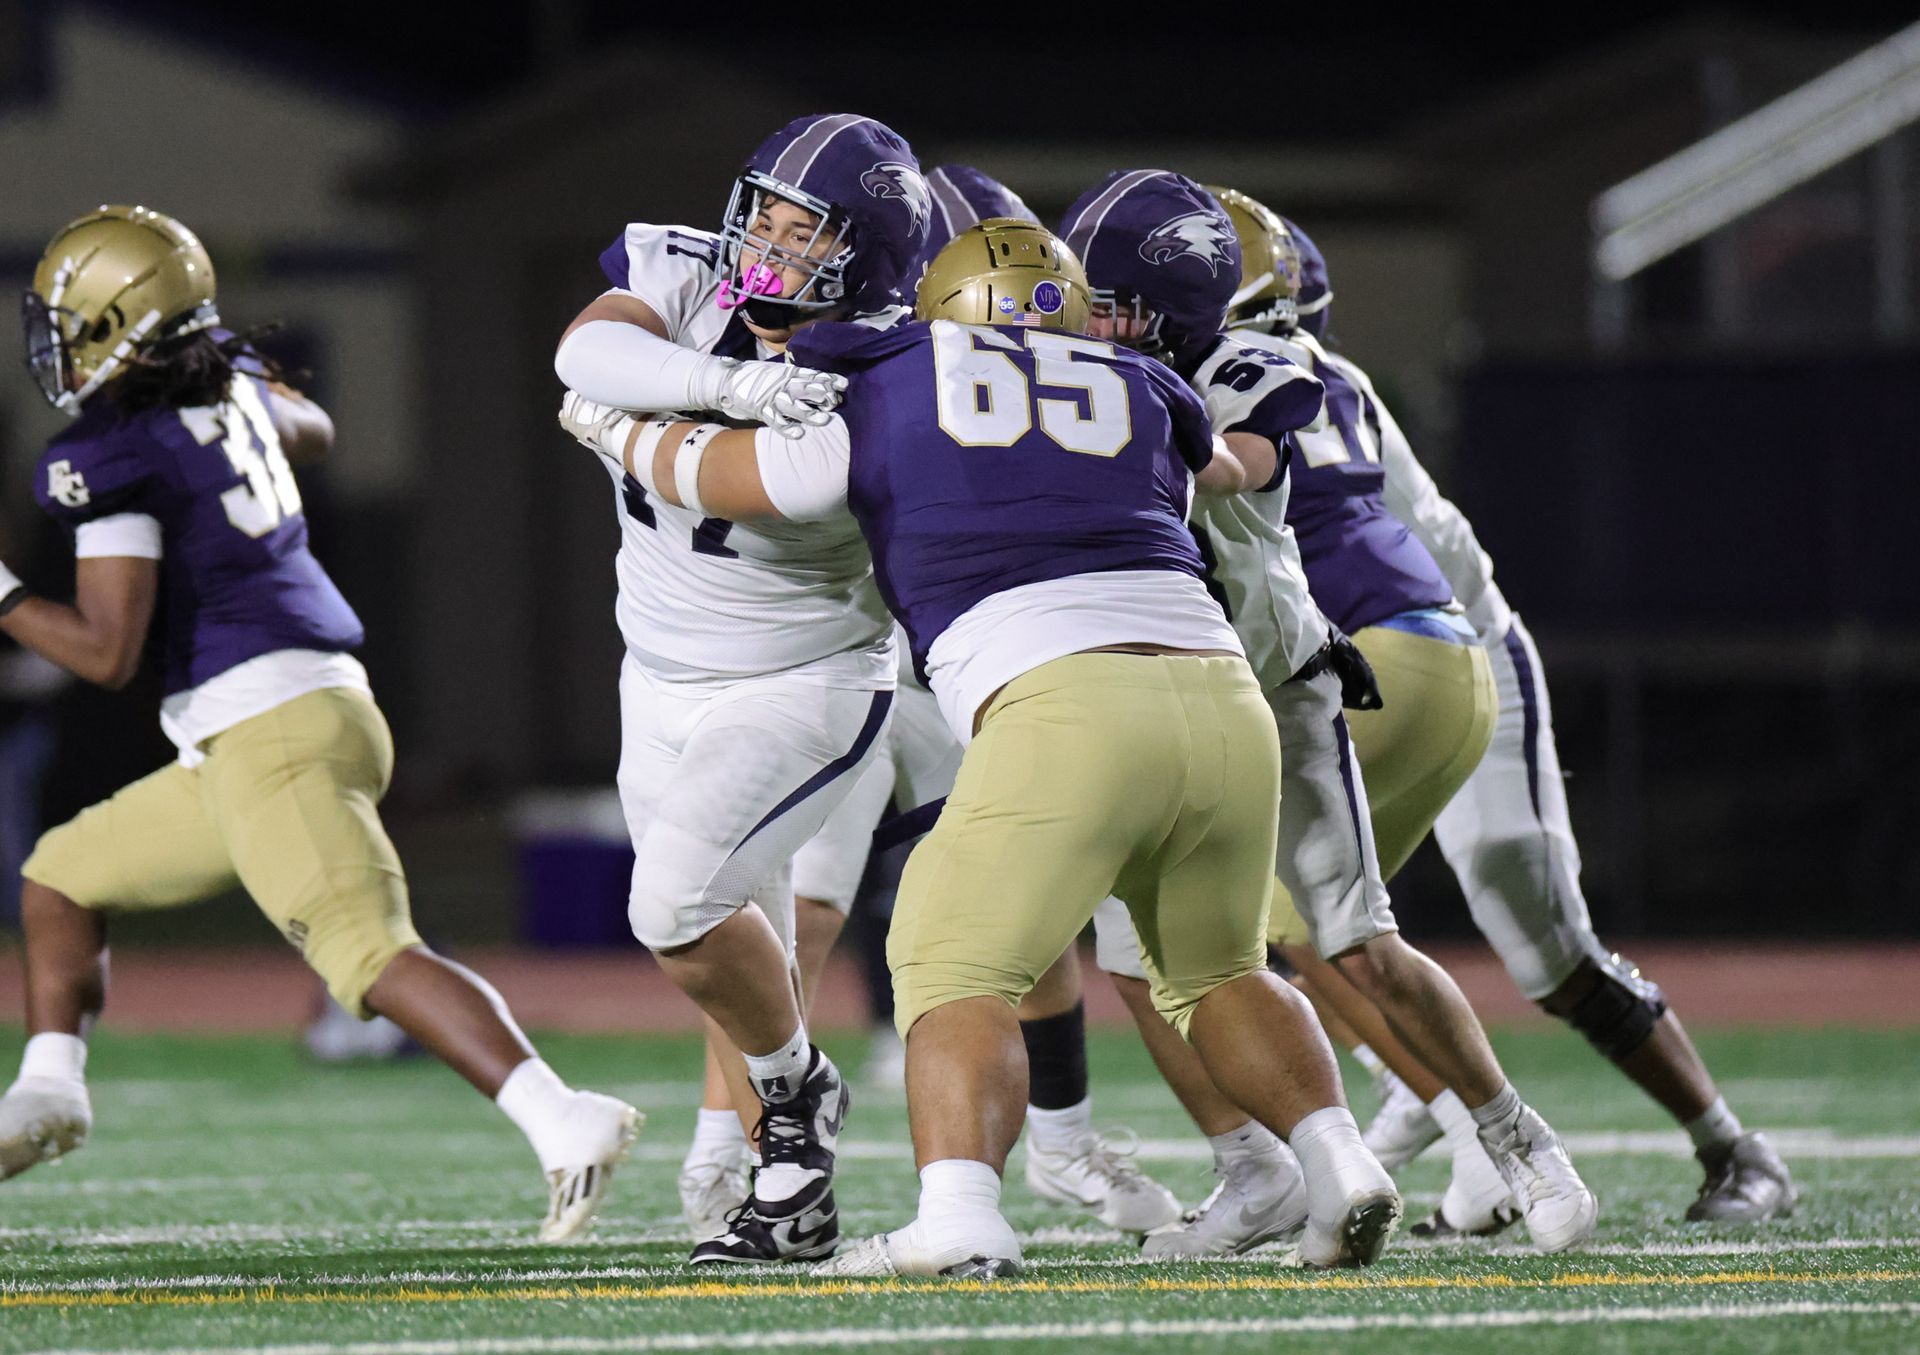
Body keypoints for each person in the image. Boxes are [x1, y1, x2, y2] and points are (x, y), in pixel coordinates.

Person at [560, 216, 1402, 1279]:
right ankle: (1339, 1163)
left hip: (1064, 691)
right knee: (1221, 969)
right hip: (1220, 693)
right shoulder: (1147, 384)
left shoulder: (887, 361)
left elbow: (759, 464)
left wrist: (616, 429)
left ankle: (958, 1213)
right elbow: (1210, 483)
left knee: (948, 962)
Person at [0, 206, 639, 1242]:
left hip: (270, 723)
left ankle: (564, 1115)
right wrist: (236, 399)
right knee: (62, 877)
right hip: (289, 713)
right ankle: (49, 1085)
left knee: (368, 952)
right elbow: (316, 427)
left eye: (75, 320)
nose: (59, 343)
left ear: (125, 320)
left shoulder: (108, 453)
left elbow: (105, 652)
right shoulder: (235, 392)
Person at [1066, 172, 1596, 1253]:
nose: (1091, 319)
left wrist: (1094, 421)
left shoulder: (1255, 366)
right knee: (1131, 949)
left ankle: (1516, 1137)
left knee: (1353, 940)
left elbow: (1229, 465)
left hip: (1281, 689)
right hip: (1166, 697)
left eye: (1112, 299)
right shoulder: (1085, 375)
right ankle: (1259, 1169)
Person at [1271, 212, 1794, 1224]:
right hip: (1350, 666)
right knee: (1292, 909)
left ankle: (1732, 1144)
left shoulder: (1289, 386)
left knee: (1538, 935)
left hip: (1455, 648)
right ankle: (1437, 1104)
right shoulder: (1232, 383)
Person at [778, 163, 1182, 1241]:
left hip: (972, 650)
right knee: (804, 903)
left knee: (994, 929)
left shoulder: (888, 349)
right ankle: (738, 1157)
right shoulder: (1111, 371)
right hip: (867, 643)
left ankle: (1039, 1154)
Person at [553, 114, 924, 1265]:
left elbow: (746, 482)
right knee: (730, 946)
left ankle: (793, 1106)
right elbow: (583, 356)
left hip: (798, 680)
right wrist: (730, 383)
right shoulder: (684, 274)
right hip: (653, 675)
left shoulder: (886, 366)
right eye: (760, 206)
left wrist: (627, 431)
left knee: (672, 906)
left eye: (799, 226)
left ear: (862, 254)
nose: (763, 236)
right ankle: (792, 1172)